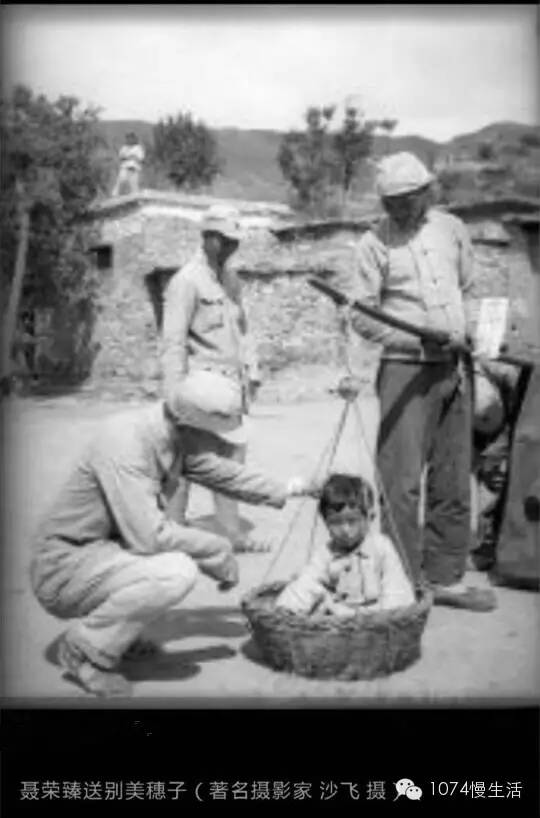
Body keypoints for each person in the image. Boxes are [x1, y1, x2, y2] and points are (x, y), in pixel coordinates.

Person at [30, 370, 316, 697]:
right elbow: (149, 537)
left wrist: (296, 488)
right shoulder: (126, 443)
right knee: (175, 571)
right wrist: (217, 547)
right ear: (191, 426)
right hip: (65, 568)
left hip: (107, 553)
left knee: (173, 560)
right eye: (219, 437)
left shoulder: (173, 434)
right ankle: (84, 651)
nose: (223, 446)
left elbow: (227, 475)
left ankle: (118, 635)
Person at [336, 151, 496, 611]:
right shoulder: (373, 245)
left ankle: (444, 577)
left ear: (427, 192)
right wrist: (415, 337)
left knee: (453, 478)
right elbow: (362, 316)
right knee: (400, 484)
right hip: (404, 370)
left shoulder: (451, 229)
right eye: (394, 201)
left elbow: (469, 288)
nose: (403, 206)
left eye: (410, 197)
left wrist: (471, 334)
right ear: (384, 202)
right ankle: (401, 583)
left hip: (455, 370)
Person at [161, 204, 264, 553]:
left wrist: (253, 371)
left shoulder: (231, 281)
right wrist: (173, 397)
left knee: (231, 463)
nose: (233, 246)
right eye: (226, 239)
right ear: (209, 237)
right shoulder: (186, 281)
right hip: (198, 388)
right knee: (186, 463)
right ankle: (174, 534)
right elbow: (173, 343)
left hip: (231, 389)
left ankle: (231, 533)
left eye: (236, 240)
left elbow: (243, 330)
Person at [276, 473, 415, 617]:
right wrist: (290, 606)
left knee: (398, 592)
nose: (345, 530)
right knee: (305, 584)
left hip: (377, 617)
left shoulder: (381, 547)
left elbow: (396, 590)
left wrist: (387, 615)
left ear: (369, 518)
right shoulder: (326, 553)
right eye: (335, 522)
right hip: (338, 618)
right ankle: (285, 614)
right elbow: (309, 579)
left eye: (352, 521)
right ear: (326, 522)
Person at [471, 359, 522, 571]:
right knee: (491, 479)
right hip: (507, 419)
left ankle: (489, 545)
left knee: (498, 481)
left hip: (516, 418)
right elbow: (496, 364)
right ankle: (483, 545)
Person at [112, 132, 145, 197]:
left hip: (134, 168)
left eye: (131, 138)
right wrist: (130, 157)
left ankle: (135, 197)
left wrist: (132, 157)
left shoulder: (138, 148)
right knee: (121, 181)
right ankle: (115, 196)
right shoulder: (124, 148)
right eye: (128, 138)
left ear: (134, 138)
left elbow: (140, 158)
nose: (129, 139)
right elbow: (121, 157)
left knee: (134, 185)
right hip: (125, 167)